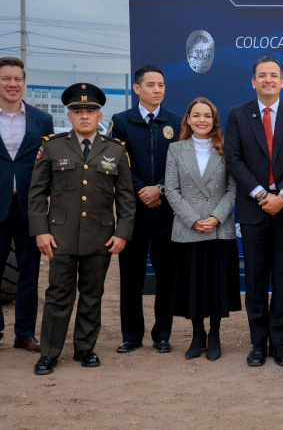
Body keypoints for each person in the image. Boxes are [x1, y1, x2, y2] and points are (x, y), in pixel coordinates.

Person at [28, 83, 135, 375]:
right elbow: (37, 194)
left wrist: (122, 232)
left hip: (100, 236)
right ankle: (49, 353)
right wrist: (40, 231)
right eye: (78, 112)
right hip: (59, 237)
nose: (84, 116)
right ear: (69, 116)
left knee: (92, 294)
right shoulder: (52, 146)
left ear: (100, 116)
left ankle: (85, 348)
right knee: (58, 294)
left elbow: (126, 197)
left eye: (90, 111)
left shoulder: (115, 149)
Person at [224, 56, 283, 367]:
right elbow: (233, 159)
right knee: (256, 279)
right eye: (262, 75)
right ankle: (258, 343)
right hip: (254, 209)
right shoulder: (237, 114)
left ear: (282, 81)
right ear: (253, 82)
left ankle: (280, 343)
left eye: (274, 75)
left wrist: (282, 196)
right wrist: (262, 194)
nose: (268, 80)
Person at [109, 65, 181, 354]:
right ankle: (132, 335)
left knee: (167, 276)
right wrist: (143, 191)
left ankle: (162, 334)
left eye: (161, 85)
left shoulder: (176, 122)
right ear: (137, 89)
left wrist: (160, 188)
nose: (157, 90)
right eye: (150, 85)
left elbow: (180, 165)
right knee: (131, 276)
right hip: (133, 212)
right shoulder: (121, 121)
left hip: (166, 212)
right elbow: (118, 163)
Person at [165, 98, 240, 362]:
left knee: (217, 284)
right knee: (193, 284)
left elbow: (233, 189)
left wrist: (216, 218)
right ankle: (198, 334)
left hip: (219, 228)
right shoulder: (176, 149)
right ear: (188, 119)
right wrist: (194, 219)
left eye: (207, 116)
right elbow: (171, 190)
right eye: (196, 115)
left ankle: (215, 334)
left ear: (214, 120)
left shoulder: (227, 149)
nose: (201, 120)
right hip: (189, 228)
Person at [0, 57, 54, 350]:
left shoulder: (41, 120)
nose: (12, 84)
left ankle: (24, 333)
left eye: (17, 79)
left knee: (29, 274)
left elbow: (47, 164)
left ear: (24, 82)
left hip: (30, 208)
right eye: (6, 78)